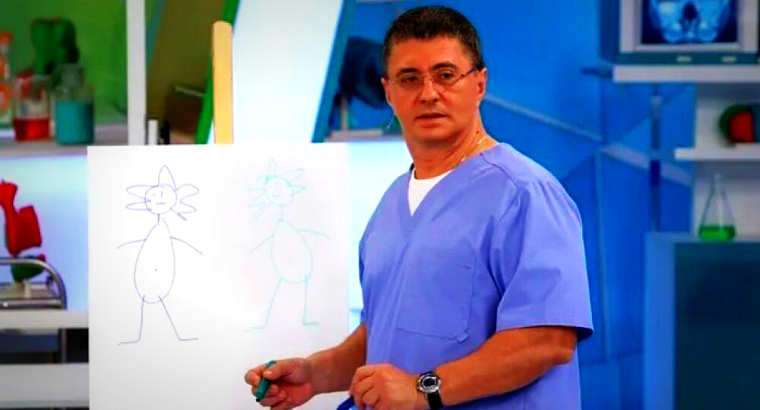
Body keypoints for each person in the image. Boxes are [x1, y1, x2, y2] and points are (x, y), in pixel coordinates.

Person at [244, 6, 593, 410]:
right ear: (388, 92)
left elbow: (546, 340)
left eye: (445, 75)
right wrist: (315, 373)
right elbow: (384, 332)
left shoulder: (525, 194)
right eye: (409, 78)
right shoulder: (391, 204)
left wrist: (422, 389)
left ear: (479, 84)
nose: (428, 93)